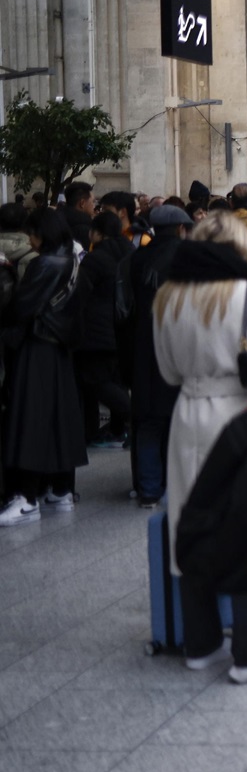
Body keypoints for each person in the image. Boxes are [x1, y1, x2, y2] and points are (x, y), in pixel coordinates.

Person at [153, 212, 247, 682]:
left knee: (190, 526)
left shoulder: (167, 298)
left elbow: (167, 373)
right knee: (245, 527)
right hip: (239, 417)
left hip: (187, 415)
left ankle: (201, 643)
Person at [0, 209, 88, 526]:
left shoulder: (44, 264)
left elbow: (21, 307)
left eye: (33, 235)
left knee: (30, 419)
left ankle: (26, 498)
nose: (31, 241)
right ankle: (61, 490)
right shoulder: (74, 260)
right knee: (58, 419)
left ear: (43, 234)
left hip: (37, 348)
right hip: (61, 349)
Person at [117, 204, 194, 508]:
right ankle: (178, 487)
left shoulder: (134, 260)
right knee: (179, 421)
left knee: (148, 421)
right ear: (180, 229)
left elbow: (123, 311)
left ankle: (149, 488)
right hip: (181, 350)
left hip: (144, 349)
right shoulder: (190, 260)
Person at [75, 211, 133, 449]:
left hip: (97, 331)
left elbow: (80, 294)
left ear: (97, 233)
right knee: (116, 380)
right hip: (124, 327)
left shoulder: (94, 259)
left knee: (95, 381)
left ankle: (133, 416)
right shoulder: (131, 252)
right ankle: (118, 430)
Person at [62, 181, 95, 248]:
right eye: (93, 201)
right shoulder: (84, 230)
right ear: (82, 203)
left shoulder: (56, 221)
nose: (94, 206)